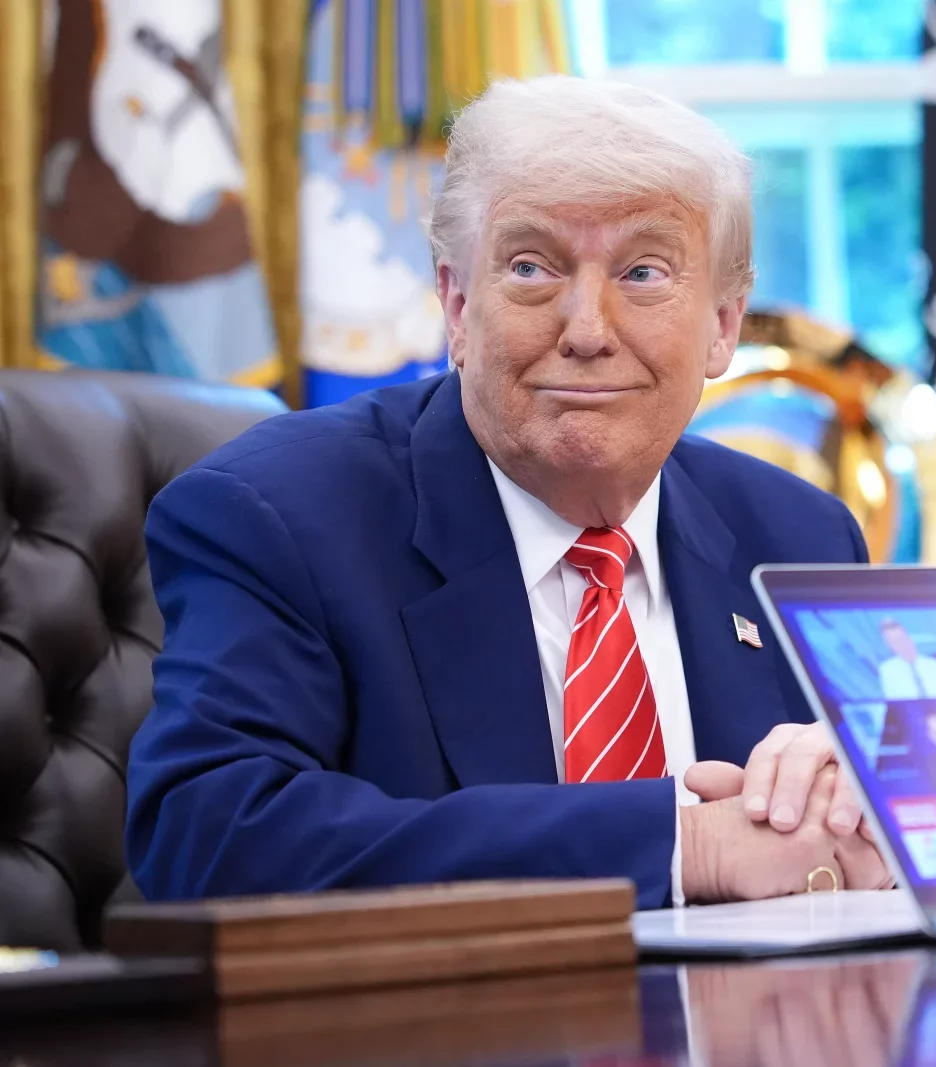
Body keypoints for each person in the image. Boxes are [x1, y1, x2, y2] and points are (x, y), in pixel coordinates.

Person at [125, 76, 891, 907]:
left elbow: (926, 817)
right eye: (531, 267)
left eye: (643, 272)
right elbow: (206, 832)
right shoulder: (277, 517)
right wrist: (681, 846)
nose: (589, 330)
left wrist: (873, 816)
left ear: (722, 326)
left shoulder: (799, 533)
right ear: (456, 303)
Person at [876, 618, 936, 700]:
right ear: (888, 645)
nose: (899, 644)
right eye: (893, 641)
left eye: (901, 638)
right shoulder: (887, 670)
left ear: (910, 637)